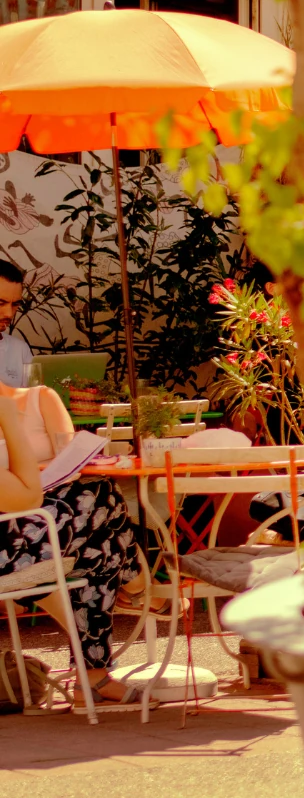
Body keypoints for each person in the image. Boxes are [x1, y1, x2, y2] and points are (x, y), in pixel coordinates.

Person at [0, 376, 142, 704]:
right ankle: (134, 585)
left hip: (11, 536)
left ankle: (93, 675)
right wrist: (10, 422)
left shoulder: (38, 397)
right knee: (100, 499)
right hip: (7, 551)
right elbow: (27, 497)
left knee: (99, 540)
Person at [0, 260, 32, 388]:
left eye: (15, 304)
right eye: (0, 303)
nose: (9, 314)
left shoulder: (20, 350)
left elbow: (32, 399)